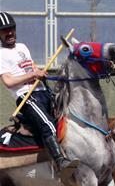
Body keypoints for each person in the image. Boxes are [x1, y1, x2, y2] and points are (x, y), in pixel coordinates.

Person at [0, 12, 79, 172]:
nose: (10, 33)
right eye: (4, 30)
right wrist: (33, 74)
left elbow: (31, 66)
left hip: (44, 91)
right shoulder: (1, 54)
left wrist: (38, 71)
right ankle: (60, 161)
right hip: (27, 98)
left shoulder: (22, 47)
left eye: (12, 28)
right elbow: (8, 82)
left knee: (72, 117)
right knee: (48, 125)